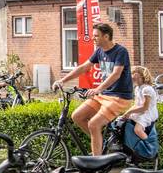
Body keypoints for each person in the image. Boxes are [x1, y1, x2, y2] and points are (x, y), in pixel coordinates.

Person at [53, 22, 134, 155]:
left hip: (119, 97)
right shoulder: (99, 51)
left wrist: (98, 89)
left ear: (106, 36)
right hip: (104, 95)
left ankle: (97, 163)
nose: (93, 38)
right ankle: (101, 141)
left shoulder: (121, 51)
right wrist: (62, 80)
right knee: (77, 116)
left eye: (96, 36)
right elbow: (84, 67)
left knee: (94, 124)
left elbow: (116, 74)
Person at [124, 65, 159, 140]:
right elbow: (137, 104)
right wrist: (127, 113)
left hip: (148, 113)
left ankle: (149, 146)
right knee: (124, 122)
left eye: (132, 73)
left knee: (138, 130)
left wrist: (130, 111)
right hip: (142, 111)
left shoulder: (147, 89)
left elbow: (145, 107)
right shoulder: (137, 88)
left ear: (138, 75)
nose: (130, 76)